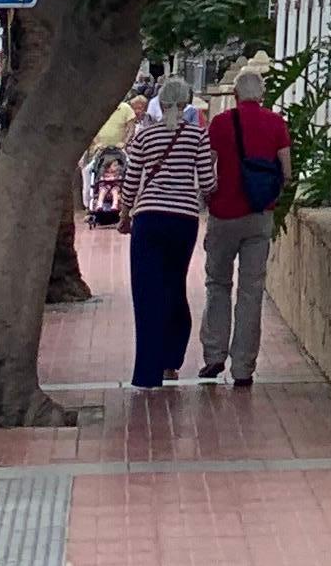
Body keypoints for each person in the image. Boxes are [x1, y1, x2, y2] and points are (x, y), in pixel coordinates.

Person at [199, 62, 294, 387]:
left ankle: (214, 356)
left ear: (236, 94)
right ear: (263, 95)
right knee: (251, 291)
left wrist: (209, 197)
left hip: (224, 215)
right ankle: (243, 368)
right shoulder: (276, 123)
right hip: (259, 217)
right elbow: (287, 171)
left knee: (218, 285)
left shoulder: (221, 123)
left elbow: (207, 169)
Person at [119, 74, 214, 389]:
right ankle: (171, 362)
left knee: (146, 294)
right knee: (174, 289)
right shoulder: (198, 137)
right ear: (186, 104)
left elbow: (131, 179)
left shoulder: (145, 136)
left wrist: (124, 214)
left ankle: (146, 373)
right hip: (182, 221)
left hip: (149, 219)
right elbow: (208, 182)